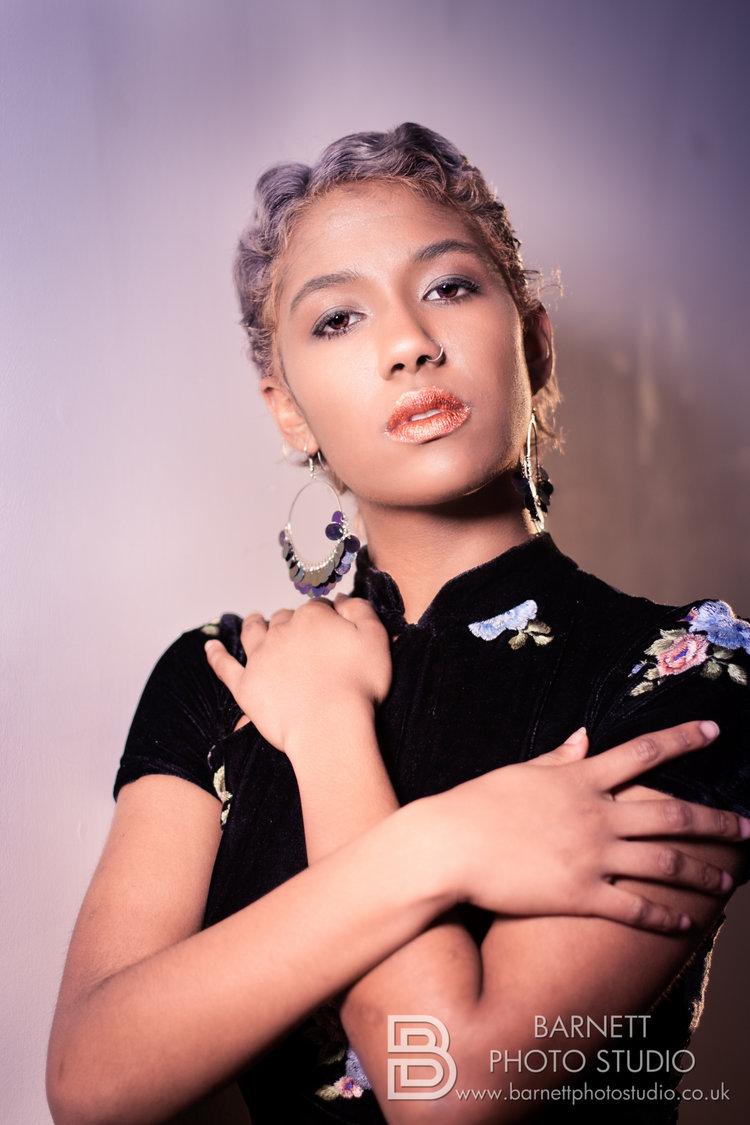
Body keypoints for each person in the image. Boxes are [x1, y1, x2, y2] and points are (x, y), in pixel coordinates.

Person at [46, 123, 750, 1125]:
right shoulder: (224, 675)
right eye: (336, 318)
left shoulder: (689, 674)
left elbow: (448, 1088)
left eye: (451, 287)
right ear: (286, 409)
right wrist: (447, 844)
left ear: (533, 339)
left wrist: (330, 733)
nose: (409, 342)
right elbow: (92, 1083)